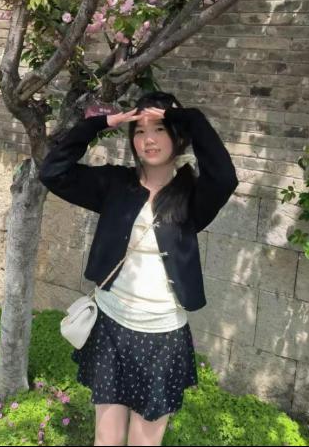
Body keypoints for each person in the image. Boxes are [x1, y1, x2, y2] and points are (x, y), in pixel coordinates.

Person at [38, 91, 239, 446]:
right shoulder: (115, 184)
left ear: (178, 134)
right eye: (140, 130)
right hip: (111, 325)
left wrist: (190, 118)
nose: (149, 139)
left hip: (162, 336)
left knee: (144, 442)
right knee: (106, 439)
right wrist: (98, 124)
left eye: (160, 128)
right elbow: (53, 172)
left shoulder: (193, 196)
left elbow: (224, 178)